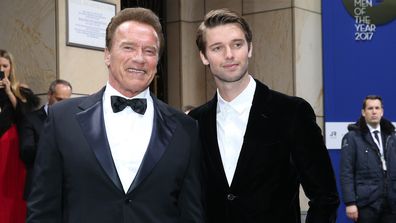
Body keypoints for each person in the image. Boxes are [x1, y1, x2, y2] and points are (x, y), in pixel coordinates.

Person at [27, 7, 204, 223]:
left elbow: (192, 213)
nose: (139, 58)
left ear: (157, 61)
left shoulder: (185, 128)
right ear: (107, 55)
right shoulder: (61, 120)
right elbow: (43, 209)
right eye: (128, 47)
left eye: (149, 51)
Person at [188, 8, 339, 223]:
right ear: (204, 56)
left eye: (237, 44)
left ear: (250, 48)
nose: (229, 54)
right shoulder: (195, 121)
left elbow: (325, 196)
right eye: (217, 48)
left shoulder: (292, 113)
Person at [340, 95, 396, 223]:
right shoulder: (352, 137)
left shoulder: (391, 137)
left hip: (391, 203)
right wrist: (350, 202)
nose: (374, 111)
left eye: (377, 108)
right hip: (366, 204)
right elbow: (346, 172)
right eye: (370, 108)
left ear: (382, 111)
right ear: (363, 112)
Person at [0, 49, 39, 223]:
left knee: (10, 189)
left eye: (4, 65)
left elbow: (26, 117)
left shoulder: (21, 90)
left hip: (11, 148)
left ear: (11, 68)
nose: (1, 68)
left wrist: (9, 91)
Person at [19, 79, 72, 199]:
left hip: (67, 190)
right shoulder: (31, 119)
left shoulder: (73, 120)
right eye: (59, 99)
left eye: (66, 101)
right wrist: (52, 141)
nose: (62, 104)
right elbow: (26, 153)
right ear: (49, 95)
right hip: (39, 188)